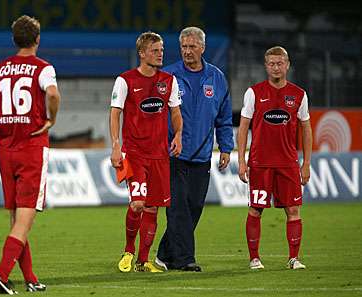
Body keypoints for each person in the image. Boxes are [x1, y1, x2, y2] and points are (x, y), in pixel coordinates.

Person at [0, 15, 61, 294]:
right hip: (31, 148)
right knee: (25, 219)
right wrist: (51, 119)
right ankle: (2, 275)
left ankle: (30, 278)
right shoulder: (43, 68)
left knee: (16, 218)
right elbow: (53, 95)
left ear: (14, 39)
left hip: (6, 149)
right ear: (37, 39)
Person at [155, 27, 233, 272]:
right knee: (177, 208)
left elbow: (223, 117)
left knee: (194, 209)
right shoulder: (168, 76)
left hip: (202, 154)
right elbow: (155, 115)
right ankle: (184, 260)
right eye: (183, 47)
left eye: (192, 47)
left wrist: (226, 148)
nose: (187, 52)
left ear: (202, 48)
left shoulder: (217, 78)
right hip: (172, 154)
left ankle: (164, 255)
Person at [111, 31, 183, 273]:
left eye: (162, 50)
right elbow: (115, 112)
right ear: (142, 53)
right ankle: (129, 251)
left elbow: (175, 111)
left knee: (153, 207)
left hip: (160, 155)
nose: (160, 54)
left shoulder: (169, 81)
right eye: (155, 50)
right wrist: (115, 145)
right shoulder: (125, 80)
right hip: (134, 154)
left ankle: (144, 261)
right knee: (138, 204)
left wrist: (179, 135)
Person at [237, 46, 312, 270]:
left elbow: (306, 129)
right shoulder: (254, 92)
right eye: (271, 63)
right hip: (260, 163)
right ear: (266, 66)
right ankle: (254, 258)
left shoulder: (299, 94)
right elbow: (243, 128)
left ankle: (293, 258)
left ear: (287, 65)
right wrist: (241, 161)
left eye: (280, 63)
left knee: (293, 210)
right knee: (255, 209)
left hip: (288, 164)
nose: (276, 67)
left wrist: (306, 163)